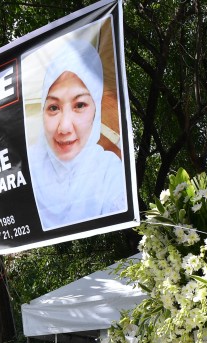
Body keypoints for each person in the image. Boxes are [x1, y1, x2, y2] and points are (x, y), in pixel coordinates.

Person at [28, 37, 127, 230]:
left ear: (96, 109)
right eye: (53, 107)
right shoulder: (26, 169)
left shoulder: (108, 172)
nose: (64, 128)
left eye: (80, 105)